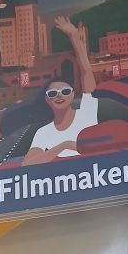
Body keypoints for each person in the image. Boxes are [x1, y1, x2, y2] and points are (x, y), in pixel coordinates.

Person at [21, 16, 98, 165]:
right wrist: (65, 145)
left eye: (65, 91)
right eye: (52, 93)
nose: (59, 95)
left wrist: (74, 36)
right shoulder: (43, 133)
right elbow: (27, 164)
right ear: (47, 99)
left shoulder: (86, 113)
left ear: (73, 94)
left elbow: (87, 72)